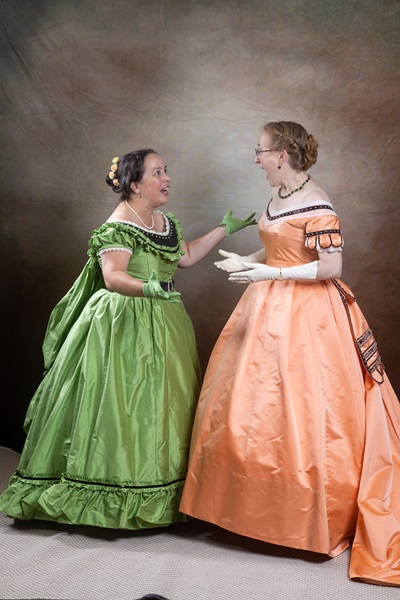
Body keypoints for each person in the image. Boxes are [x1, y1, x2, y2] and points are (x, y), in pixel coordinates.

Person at [180, 121, 400, 586]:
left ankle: (299, 517)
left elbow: (330, 266)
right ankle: (237, 509)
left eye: (260, 152)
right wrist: (250, 261)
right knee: (244, 402)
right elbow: (279, 248)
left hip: (308, 317)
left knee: (303, 404)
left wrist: (268, 276)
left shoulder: (318, 203)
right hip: (265, 308)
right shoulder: (279, 196)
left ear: (282, 154)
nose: (256, 159)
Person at [0, 148, 256, 530]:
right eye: (157, 173)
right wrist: (148, 288)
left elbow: (183, 256)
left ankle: (163, 490)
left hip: (165, 319)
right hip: (123, 321)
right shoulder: (119, 224)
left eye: (166, 170)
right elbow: (113, 277)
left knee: (163, 404)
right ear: (134, 184)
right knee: (121, 404)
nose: (167, 178)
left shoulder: (160, 219)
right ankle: (107, 493)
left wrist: (223, 229)